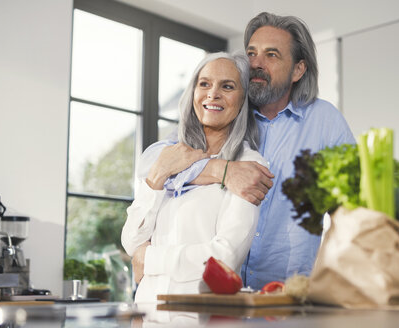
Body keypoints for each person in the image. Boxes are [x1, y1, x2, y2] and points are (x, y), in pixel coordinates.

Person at [133, 12, 355, 290]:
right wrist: (221, 171)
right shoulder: (224, 112)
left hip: (285, 295)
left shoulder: (325, 121)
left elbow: (352, 212)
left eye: (271, 55)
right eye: (251, 53)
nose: (256, 64)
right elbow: (152, 163)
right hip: (214, 295)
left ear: (298, 70)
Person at [121, 52, 267, 303]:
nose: (213, 94)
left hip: (198, 317)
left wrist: (149, 258)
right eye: (205, 84)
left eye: (227, 86)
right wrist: (157, 175)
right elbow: (131, 239)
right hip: (146, 315)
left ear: (243, 99)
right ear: (193, 92)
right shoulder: (170, 156)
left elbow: (224, 259)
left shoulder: (248, 165)